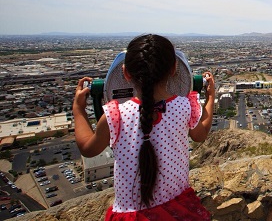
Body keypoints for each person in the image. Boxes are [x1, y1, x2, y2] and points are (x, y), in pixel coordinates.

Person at [72, 34, 214, 220]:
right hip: (177, 208)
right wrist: (210, 97)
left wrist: (78, 109)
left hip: (132, 214)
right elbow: (200, 134)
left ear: (125, 73)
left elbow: (88, 148)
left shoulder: (115, 115)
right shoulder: (185, 106)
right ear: (174, 70)